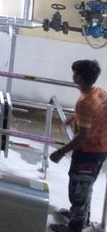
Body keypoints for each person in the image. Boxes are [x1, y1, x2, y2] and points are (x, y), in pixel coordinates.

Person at [50, 59, 107, 232]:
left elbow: (83, 136)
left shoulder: (85, 102)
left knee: (78, 190)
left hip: (88, 152)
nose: (73, 75)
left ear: (80, 78)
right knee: (85, 186)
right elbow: (96, 114)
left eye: (75, 73)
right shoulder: (99, 92)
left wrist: (61, 152)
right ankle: (82, 217)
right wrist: (74, 118)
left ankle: (75, 227)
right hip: (101, 149)